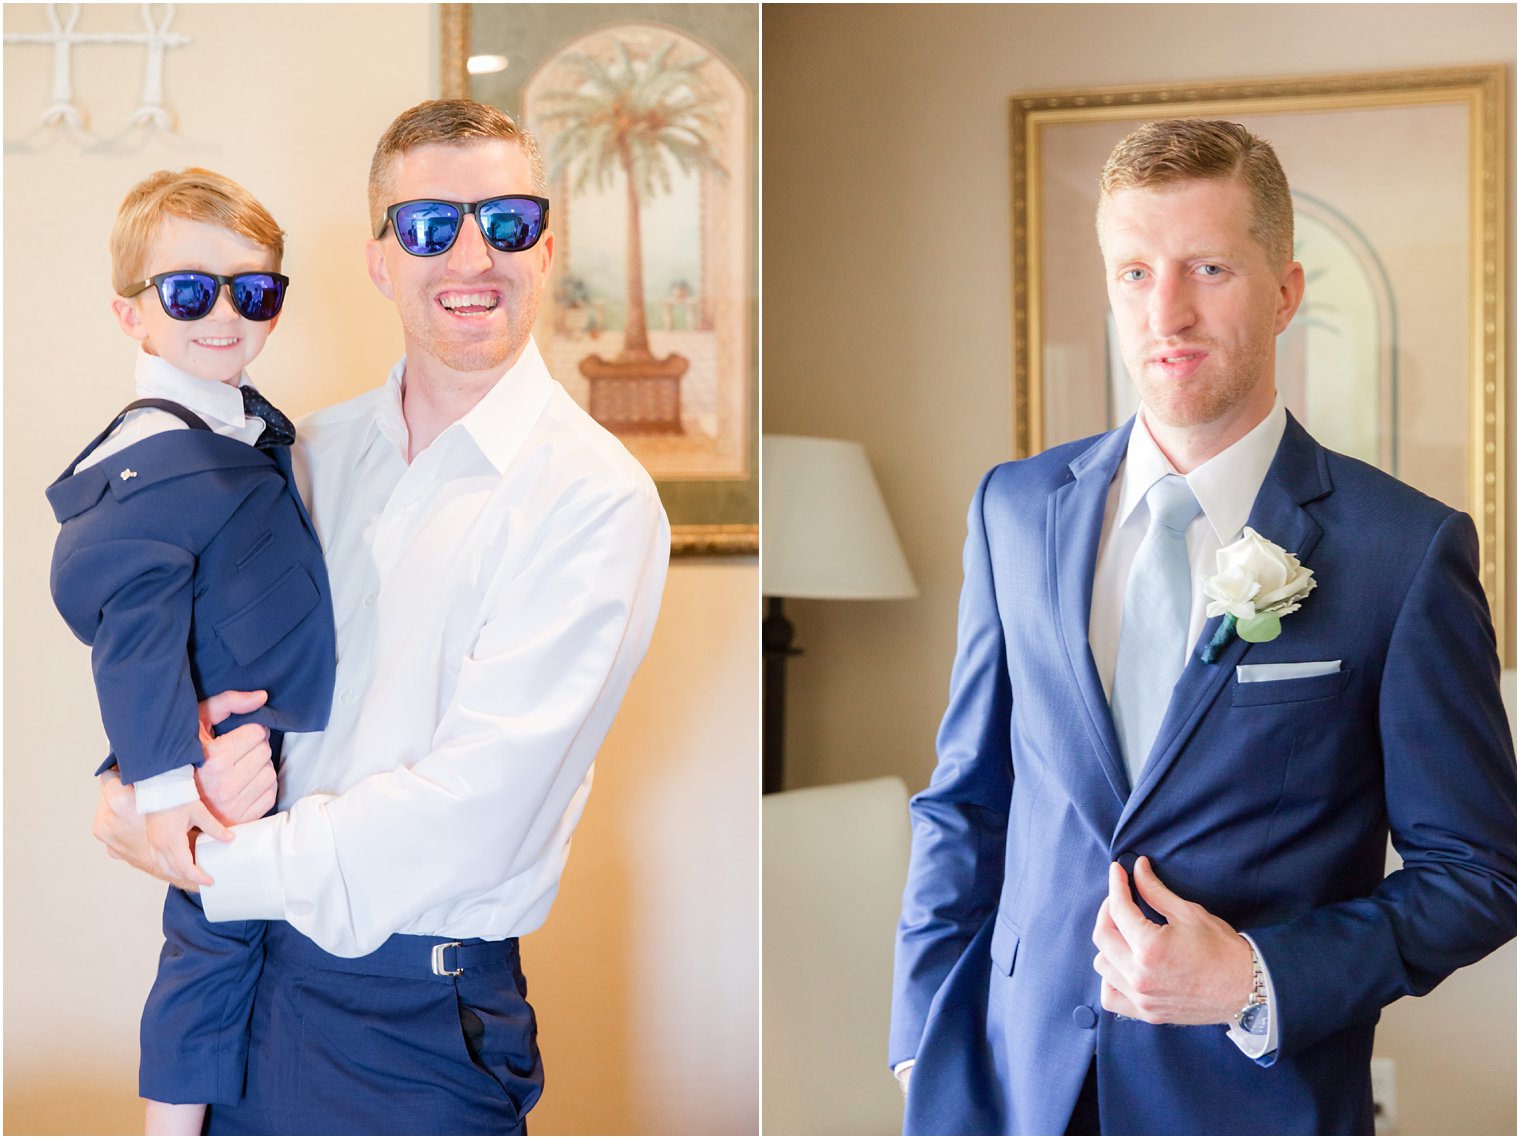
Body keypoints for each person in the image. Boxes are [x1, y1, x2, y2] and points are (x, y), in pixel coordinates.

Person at [889, 119, 1516, 1135]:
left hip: (1250, 1100)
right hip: (1001, 1090)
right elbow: (965, 803)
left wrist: (1254, 975)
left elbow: (1478, 875)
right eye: (1132, 271)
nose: (1164, 310)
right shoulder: (1011, 507)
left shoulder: (1404, 550)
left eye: (1207, 266)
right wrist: (923, 1043)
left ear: (1283, 293)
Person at [93, 98, 670, 1135]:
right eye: (425, 225)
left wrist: (195, 854)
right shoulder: (301, 452)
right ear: (377, 259)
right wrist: (133, 779)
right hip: (240, 982)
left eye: (504, 221)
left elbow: (470, 810)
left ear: (545, 247)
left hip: (410, 1020)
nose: (468, 255)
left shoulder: (594, 497)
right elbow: (205, 644)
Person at [48, 168, 335, 1136]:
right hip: (223, 752)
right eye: (188, 291)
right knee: (209, 938)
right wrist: (169, 786)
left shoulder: (242, 424)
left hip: (271, 739)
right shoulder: (154, 455)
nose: (225, 314)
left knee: (234, 937)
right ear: (131, 315)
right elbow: (130, 637)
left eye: (253, 291)